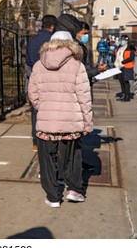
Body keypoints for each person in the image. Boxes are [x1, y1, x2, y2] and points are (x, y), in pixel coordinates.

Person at [28, 31, 93, 208]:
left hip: (46, 121)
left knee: (46, 160)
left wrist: (44, 108)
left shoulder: (38, 65)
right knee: (72, 157)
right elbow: (84, 97)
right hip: (70, 121)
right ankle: (74, 190)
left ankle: (53, 196)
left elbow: (32, 94)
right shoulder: (77, 65)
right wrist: (87, 122)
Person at [25, 14, 58, 152]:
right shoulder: (53, 41)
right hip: (51, 81)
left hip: (35, 79)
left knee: (36, 111)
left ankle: (36, 140)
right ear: (53, 26)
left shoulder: (32, 41)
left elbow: (27, 62)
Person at [56, 15, 107, 101]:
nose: (86, 36)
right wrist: (97, 70)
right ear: (76, 32)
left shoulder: (80, 46)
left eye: (87, 34)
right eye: (84, 33)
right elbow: (80, 73)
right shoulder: (75, 49)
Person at [114, 35, 136, 101]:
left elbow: (131, 57)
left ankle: (127, 96)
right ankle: (123, 94)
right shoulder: (120, 47)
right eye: (121, 39)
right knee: (121, 81)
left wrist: (123, 62)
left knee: (125, 81)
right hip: (119, 66)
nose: (122, 41)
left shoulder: (130, 48)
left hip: (126, 66)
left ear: (127, 40)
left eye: (123, 39)